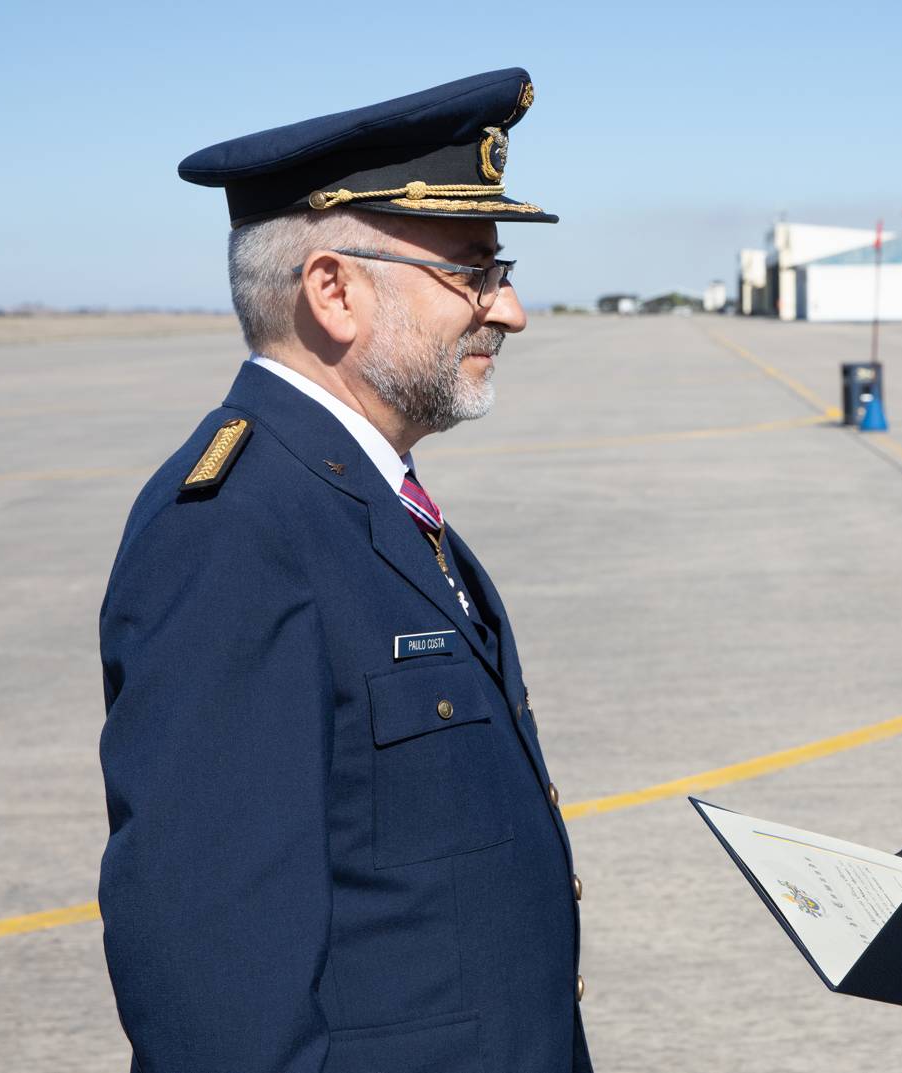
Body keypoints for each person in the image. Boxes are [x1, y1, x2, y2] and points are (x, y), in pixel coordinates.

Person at [97, 69, 593, 1073]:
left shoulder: (358, 497)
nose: (511, 308)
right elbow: (216, 983)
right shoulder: (235, 532)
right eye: (473, 269)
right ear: (334, 290)